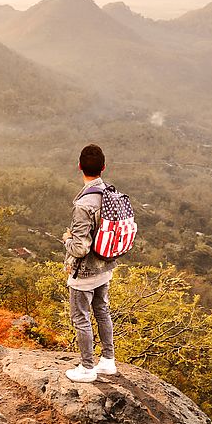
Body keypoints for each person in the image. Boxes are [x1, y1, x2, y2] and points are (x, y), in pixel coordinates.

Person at [62, 144, 118, 383]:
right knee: (102, 311)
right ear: (103, 168)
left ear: (79, 167)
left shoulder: (84, 205)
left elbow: (80, 247)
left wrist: (66, 240)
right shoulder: (111, 194)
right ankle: (108, 361)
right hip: (106, 266)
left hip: (85, 273)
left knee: (81, 318)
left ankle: (87, 368)